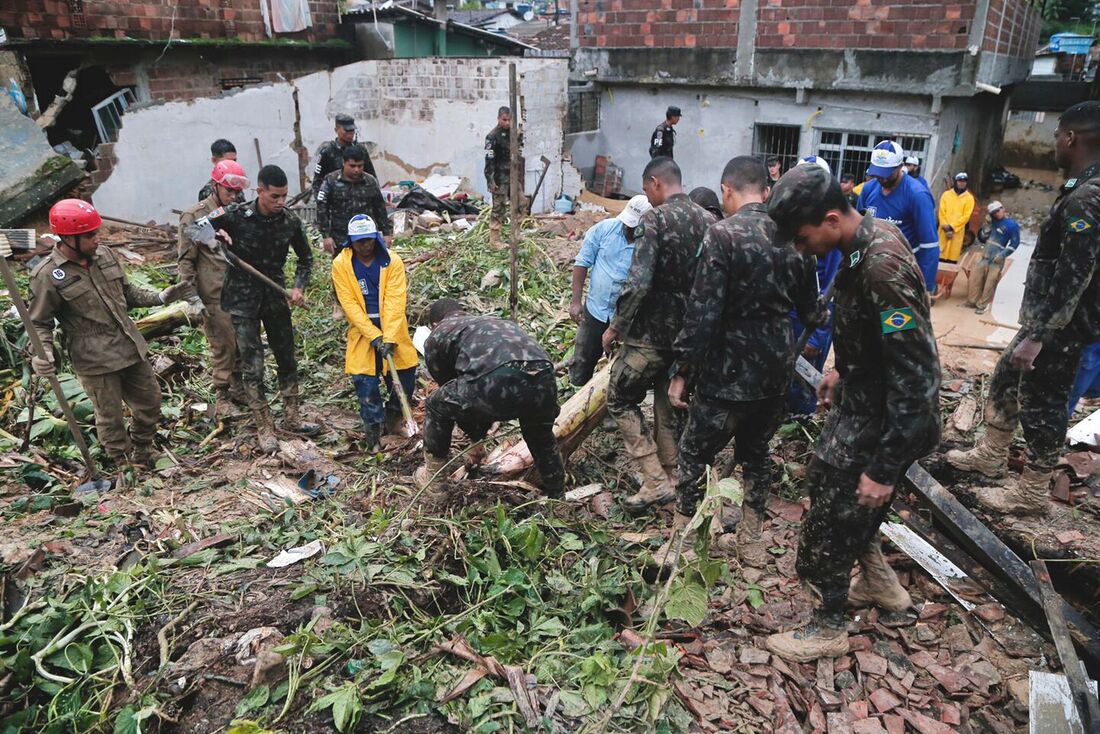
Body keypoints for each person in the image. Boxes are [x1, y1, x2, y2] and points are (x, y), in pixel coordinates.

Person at [764, 165, 940, 661]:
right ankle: (883, 587)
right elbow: (879, 338)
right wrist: (843, 369)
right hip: (863, 401)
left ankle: (828, 624)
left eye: (803, 237)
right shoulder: (862, 244)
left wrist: (884, 467)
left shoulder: (881, 267)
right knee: (826, 487)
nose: (801, 248)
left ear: (833, 217)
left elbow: (918, 377)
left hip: (884, 419)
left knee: (829, 524)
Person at [668, 157, 825, 567]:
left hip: (727, 368)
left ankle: (682, 544)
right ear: (767, 190)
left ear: (727, 191)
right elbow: (812, 312)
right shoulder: (796, 239)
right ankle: (753, 542)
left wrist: (683, 371)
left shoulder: (722, 235)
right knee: (756, 453)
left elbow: (703, 311)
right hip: (775, 367)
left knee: (694, 453)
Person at [946, 101, 1100, 516]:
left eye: (1056, 136)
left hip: (1059, 329)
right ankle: (991, 455)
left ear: (1070, 137)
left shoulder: (1088, 197)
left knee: (1043, 406)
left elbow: (1075, 275)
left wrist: (1038, 336)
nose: (1055, 143)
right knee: (1004, 381)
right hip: (1046, 322)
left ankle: (1030, 493)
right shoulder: (1080, 186)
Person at [30, 199, 194, 467]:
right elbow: (39, 322)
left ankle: (142, 449)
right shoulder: (48, 275)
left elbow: (127, 294)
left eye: (97, 232)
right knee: (110, 416)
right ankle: (122, 463)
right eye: (91, 235)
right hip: (94, 359)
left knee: (150, 402)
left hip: (128, 345)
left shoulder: (104, 255)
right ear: (69, 238)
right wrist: (44, 353)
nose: (98, 239)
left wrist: (159, 297)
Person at [602, 157, 715, 513]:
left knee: (619, 398)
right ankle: (672, 477)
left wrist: (617, 325)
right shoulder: (710, 221)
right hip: (688, 339)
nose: (648, 197)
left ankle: (653, 480)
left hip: (649, 335)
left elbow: (639, 281)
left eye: (647, 190)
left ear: (655, 183)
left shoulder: (656, 218)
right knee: (668, 404)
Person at [206, 164, 317, 452]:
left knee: (286, 356)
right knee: (253, 364)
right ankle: (264, 425)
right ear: (260, 192)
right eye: (275, 197)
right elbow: (197, 229)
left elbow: (306, 258)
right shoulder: (235, 215)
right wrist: (218, 238)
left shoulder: (290, 221)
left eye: (284, 196)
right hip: (242, 300)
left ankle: (292, 416)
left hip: (275, 296)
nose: (281, 203)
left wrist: (298, 287)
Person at [415, 298, 565, 497]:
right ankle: (557, 493)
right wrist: (476, 442)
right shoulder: (493, 322)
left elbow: (454, 394)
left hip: (497, 377)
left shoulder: (439, 333)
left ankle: (435, 481)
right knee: (540, 435)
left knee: (436, 405)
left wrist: (475, 438)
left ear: (433, 324)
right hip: (543, 374)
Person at [332, 215, 418, 451]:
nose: (365, 246)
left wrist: (388, 337)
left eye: (369, 240)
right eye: (360, 242)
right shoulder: (341, 264)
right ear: (351, 241)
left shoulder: (392, 262)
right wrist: (373, 336)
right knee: (366, 385)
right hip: (362, 332)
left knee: (405, 379)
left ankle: (394, 420)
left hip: (393, 329)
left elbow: (395, 300)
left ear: (376, 238)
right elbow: (349, 304)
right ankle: (373, 435)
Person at [178, 160, 250, 417]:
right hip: (213, 293)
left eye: (236, 192)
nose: (233, 196)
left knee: (242, 342)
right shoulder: (196, 216)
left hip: (239, 291)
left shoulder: (237, 211)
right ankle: (221, 394)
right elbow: (186, 260)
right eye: (229, 191)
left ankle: (239, 386)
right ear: (215, 187)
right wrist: (192, 297)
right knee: (223, 344)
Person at [568, 194, 652, 386]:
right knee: (582, 360)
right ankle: (575, 394)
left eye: (634, 226)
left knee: (621, 371)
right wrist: (575, 301)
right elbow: (582, 263)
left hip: (626, 319)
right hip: (595, 311)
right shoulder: (604, 229)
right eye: (627, 223)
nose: (628, 228)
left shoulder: (649, 244)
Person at [857, 141, 940, 293]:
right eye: (877, 173)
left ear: (900, 166)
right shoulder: (869, 189)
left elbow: (929, 246)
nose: (881, 178)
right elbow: (857, 231)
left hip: (903, 273)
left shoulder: (917, 195)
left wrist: (926, 288)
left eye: (886, 173)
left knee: (896, 316)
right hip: (870, 270)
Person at [316, 145, 391, 256]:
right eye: (352, 166)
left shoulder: (370, 181)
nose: (356, 170)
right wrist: (326, 236)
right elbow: (322, 208)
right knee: (343, 270)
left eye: (360, 166)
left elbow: (379, 207)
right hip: (341, 237)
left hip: (367, 238)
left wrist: (386, 233)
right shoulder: (331, 181)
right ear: (344, 163)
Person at [964, 200, 1020, 314]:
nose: (997, 214)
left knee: (991, 282)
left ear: (1003, 208)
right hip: (985, 253)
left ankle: (982, 304)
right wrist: (987, 226)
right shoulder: (992, 222)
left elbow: (1015, 243)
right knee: (975, 278)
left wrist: (1003, 254)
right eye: (994, 212)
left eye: (998, 210)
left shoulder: (1012, 225)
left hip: (997, 256)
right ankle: (971, 301)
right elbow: (982, 238)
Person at [314, 114, 376, 186]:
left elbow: (372, 177)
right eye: (346, 131)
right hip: (335, 193)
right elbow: (317, 182)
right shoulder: (327, 151)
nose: (350, 134)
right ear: (336, 130)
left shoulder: (361, 150)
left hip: (359, 193)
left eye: (352, 130)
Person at [484, 106, 515, 247]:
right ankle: (494, 239)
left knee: (519, 204)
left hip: (512, 176)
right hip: (499, 178)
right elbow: (489, 160)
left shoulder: (512, 133)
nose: (507, 123)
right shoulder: (492, 137)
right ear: (498, 119)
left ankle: (515, 234)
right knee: (499, 207)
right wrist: (490, 180)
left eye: (509, 120)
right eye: (504, 120)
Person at [938, 172, 975, 263]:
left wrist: (952, 227)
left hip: (956, 232)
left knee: (952, 258)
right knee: (939, 255)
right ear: (956, 182)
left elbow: (966, 216)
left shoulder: (969, 198)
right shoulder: (946, 195)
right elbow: (941, 212)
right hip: (943, 231)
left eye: (964, 181)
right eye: (960, 181)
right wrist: (945, 226)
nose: (962, 183)